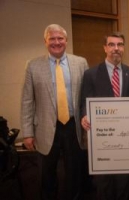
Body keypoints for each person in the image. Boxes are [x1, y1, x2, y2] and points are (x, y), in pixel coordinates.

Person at [21, 24, 89, 200]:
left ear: (66, 41)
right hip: (45, 128)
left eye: (60, 38)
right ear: (45, 42)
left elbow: (87, 95)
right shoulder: (33, 66)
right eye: (52, 38)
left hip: (73, 127)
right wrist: (27, 132)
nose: (56, 42)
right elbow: (27, 101)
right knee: (47, 175)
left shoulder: (80, 63)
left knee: (75, 173)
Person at [80, 32, 129, 200]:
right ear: (105, 48)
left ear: (124, 48)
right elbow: (84, 101)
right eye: (112, 45)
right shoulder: (90, 74)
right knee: (104, 183)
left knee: (124, 181)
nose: (116, 48)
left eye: (120, 45)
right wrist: (84, 116)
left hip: (126, 137)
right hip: (102, 138)